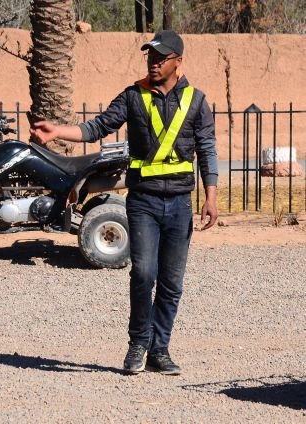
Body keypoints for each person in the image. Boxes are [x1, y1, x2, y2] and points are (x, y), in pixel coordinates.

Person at [30, 30, 218, 375]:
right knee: (144, 273)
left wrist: (211, 196)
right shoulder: (133, 96)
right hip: (143, 200)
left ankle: (160, 350)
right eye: (150, 56)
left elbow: (206, 149)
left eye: (161, 57)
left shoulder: (196, 100)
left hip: (179, 202)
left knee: (172, 281)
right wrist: (57, 131)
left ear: (179, 61)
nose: (154, 61)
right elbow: (97, 127)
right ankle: (138, 344)